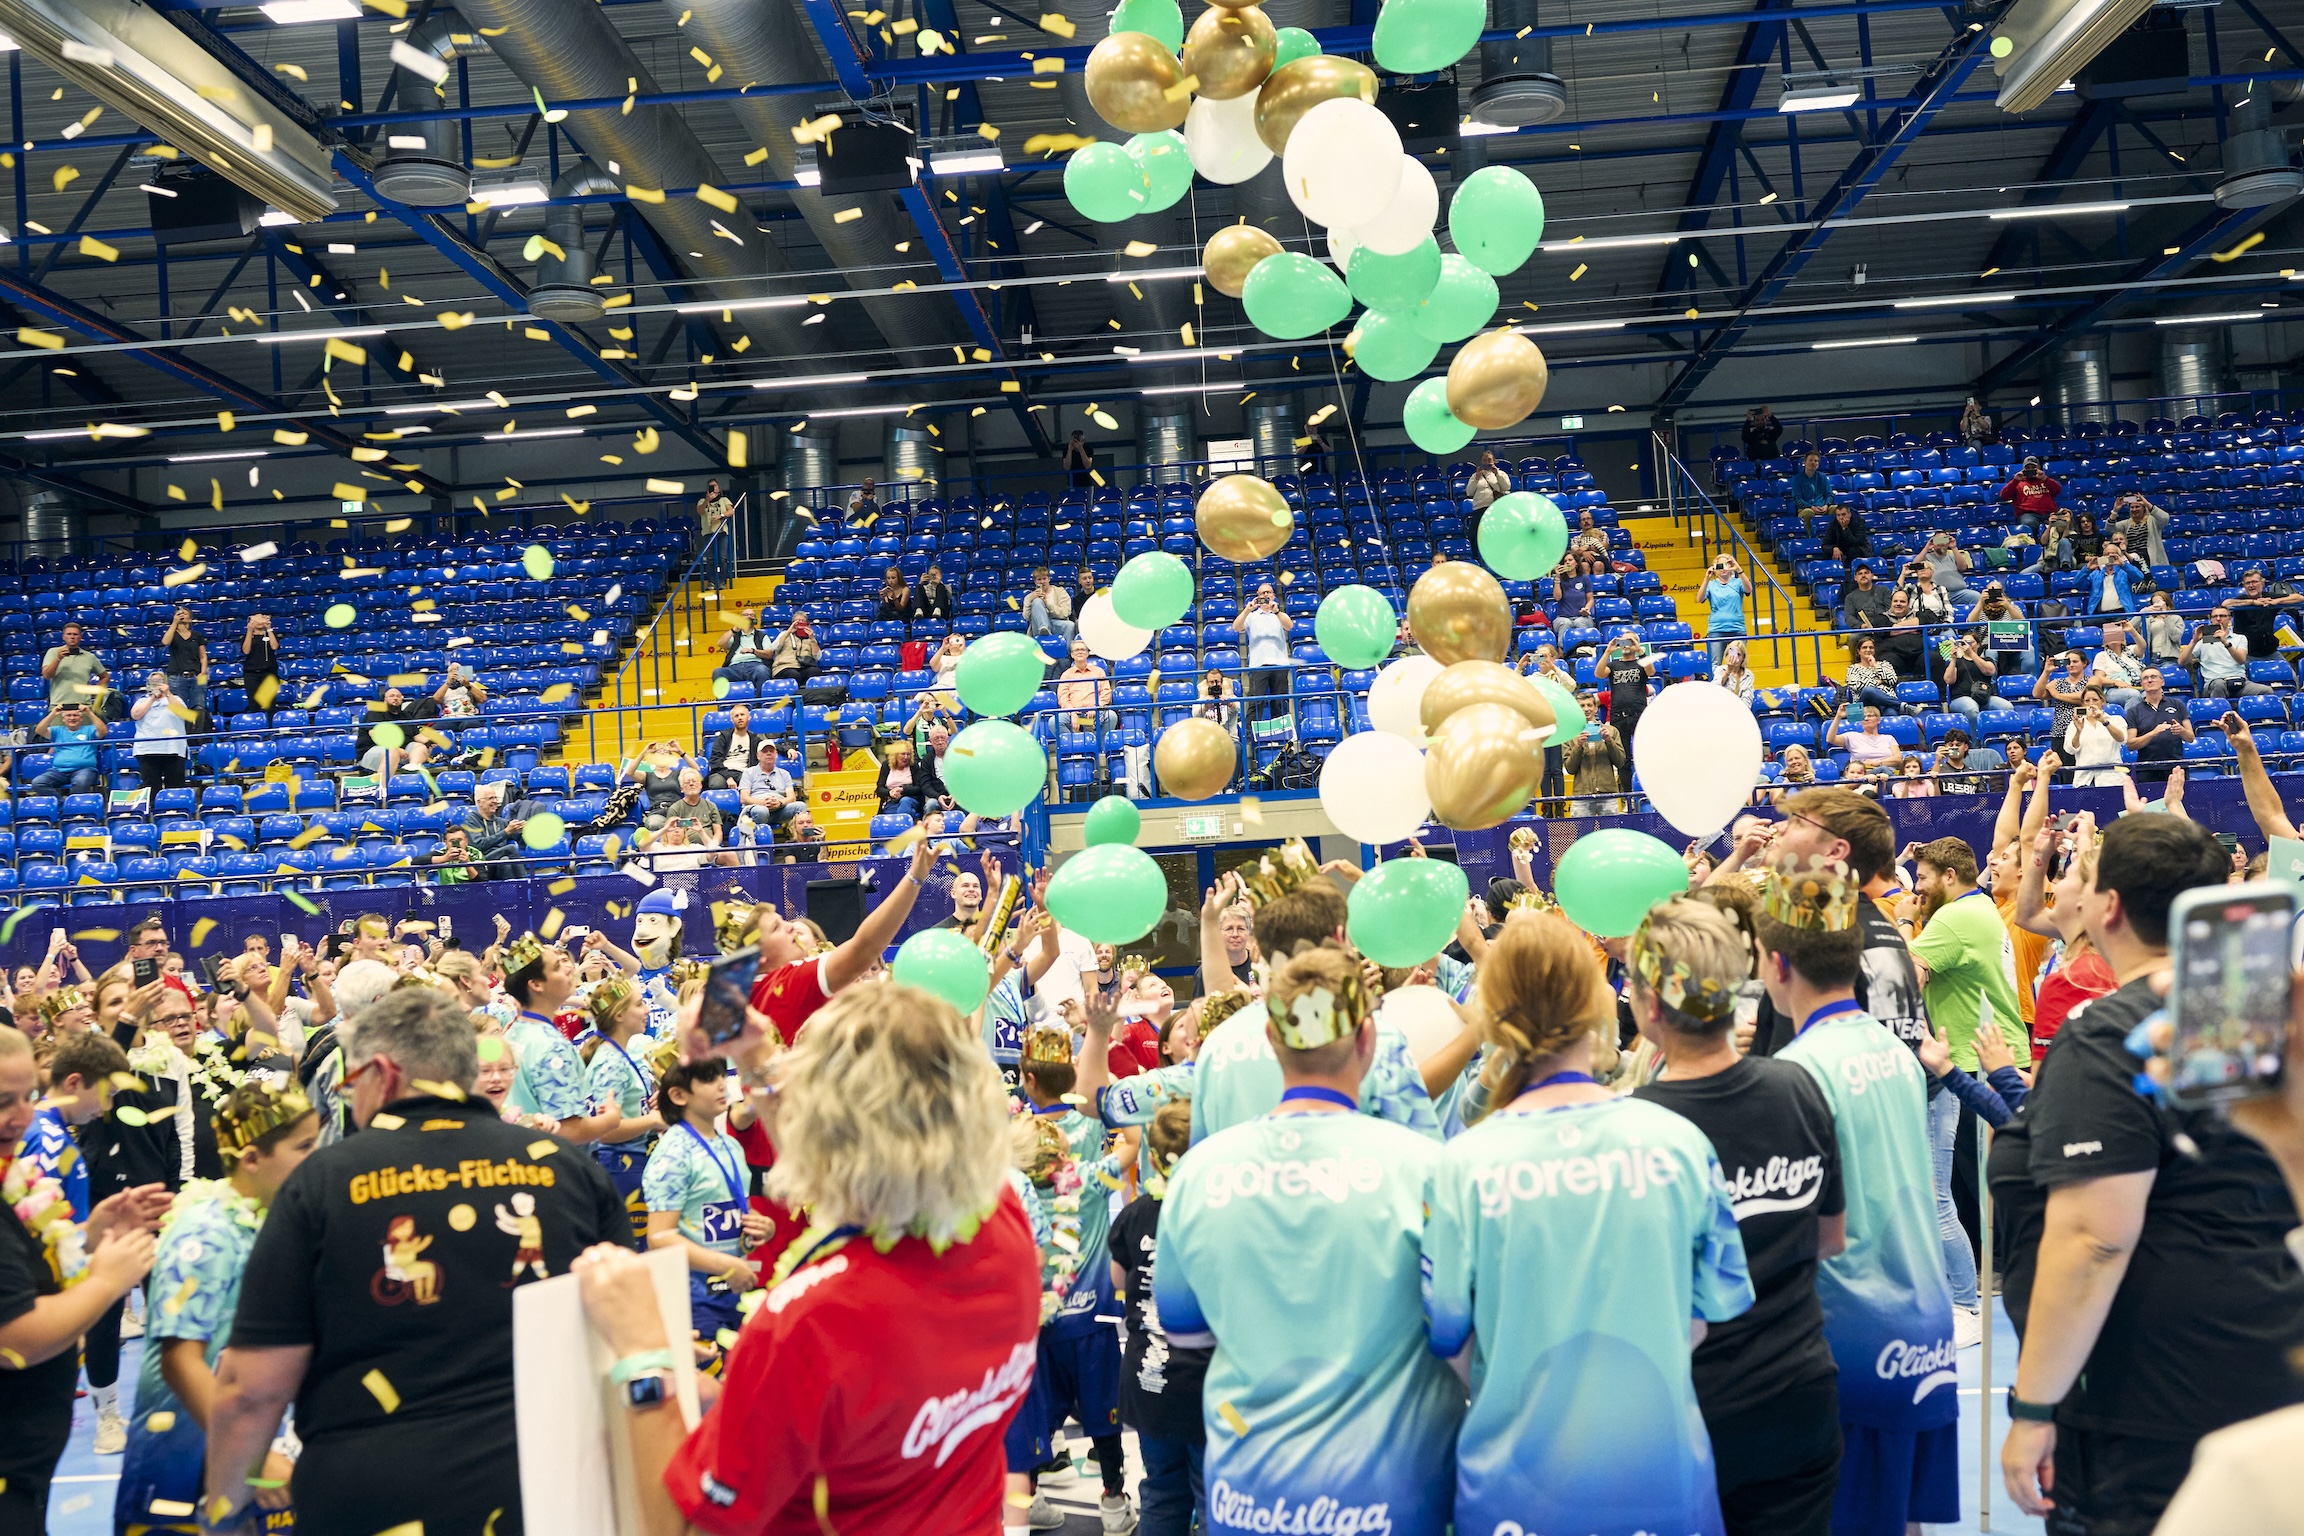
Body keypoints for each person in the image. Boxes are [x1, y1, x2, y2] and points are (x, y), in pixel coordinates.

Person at [566, 981, 1039, 1536]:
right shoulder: (1002, 1222)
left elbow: (683, 1529)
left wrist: (646, 1356)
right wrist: (752, 1050)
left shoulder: (808, 1321)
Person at [200, 986, 632, 1536]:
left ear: (382, 1072)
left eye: (352, 1082)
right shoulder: (569, 1169)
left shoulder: (323, 1181)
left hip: (376, 1494)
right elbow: (631, 1332)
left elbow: (252, 1389)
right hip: (554, 1486)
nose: (350, 1099)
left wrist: (224, 1508)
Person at [1993, 815, 2302, 1534]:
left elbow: (2093, 1238)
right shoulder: (2268, 1021)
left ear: (2110, 906)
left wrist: (2035, 1407)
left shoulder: (2110, 1036)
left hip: (2150, 1402)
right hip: (2265, 1360)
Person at [1425, 907, 1753, 1536]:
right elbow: (1708, 1317)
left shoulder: (1463, 1166)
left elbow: (1451, 1344)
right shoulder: (1677, 1143)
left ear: (1494, 1016)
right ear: (1597, 1005)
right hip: (1660, 1476)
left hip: (1515, 1490)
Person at [1159, 947, 1462, 1536]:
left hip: (1249, 1495)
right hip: (1397, 1496)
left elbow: (1185, 1336)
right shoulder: (1427, 1167)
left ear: (1272, 1041)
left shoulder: (1199, 1172)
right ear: (1369, 1040)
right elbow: (1456, 1330)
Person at [1756, 853, 1963, 1536]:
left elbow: (1812, 1233)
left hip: (1849, 1339)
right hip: (1922, 1332)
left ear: (1778, 966)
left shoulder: (1794, 1074)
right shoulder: (1893, 1051)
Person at [1629, 900, 1845, 1536]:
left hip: (1695, 1408)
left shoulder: (1641, 1126)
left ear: (1648, 1007)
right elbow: (1829, 1238)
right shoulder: (1799, 1087)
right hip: (1799, 1393)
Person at [112, 1081, 319, 1536]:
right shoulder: (203, 1235)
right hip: (186, 1462)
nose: (317, 1160)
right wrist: (252, 1454)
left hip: (252, 1443)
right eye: (304, 1147)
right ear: (250, 1159)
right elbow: (179, 1359)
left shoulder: (278, 1221)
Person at [0, 1024, 166, 1531]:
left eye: (26, 1096)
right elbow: (14, 1335)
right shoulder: (46, 1140)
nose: (22, 1116)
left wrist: (90, 1234)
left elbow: (32, 1247)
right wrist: (106, 1279)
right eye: (6, 1101)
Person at [1184, 849, 1439, 1142]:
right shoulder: (1372, 1035)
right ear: (1341, 937)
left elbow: (1200, 1150)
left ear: (1260, 946)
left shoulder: (1218, 1044)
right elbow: (1422, 1153)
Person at [1906, 835, 2028, 1340]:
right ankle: (1974, 1292)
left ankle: (1967, 1301)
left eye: (1924, 879)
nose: (1918, 887)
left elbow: (1906, 976)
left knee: (1946, 1193)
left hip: (1973, 1063)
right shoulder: (1978, 910)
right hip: (1990, 1057)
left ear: (1948, 877)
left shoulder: (1953, 918)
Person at [1109, 1101, 1204, 1536]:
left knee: (1162, 1492)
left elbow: (1117, 1279)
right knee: (1212, 1495)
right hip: (1204, 1382)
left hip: (1149, 1378)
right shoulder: (1215, 1211)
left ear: (1150, 1158)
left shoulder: (1135, 1213)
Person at [643, 1055, 770, 1345]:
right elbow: (660, 1237)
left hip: (734, 1289)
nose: (721, 1085)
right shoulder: (673, 1152)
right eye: (708, 1079)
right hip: (693, 1298)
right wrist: (724, 1265)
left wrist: (762, 1226)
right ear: (677, 1095)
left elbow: (734, 1209)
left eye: (721, 1076)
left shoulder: (731, 1145)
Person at [501, 934, 624, 1146]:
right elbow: (568, 1132)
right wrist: (610, 1119)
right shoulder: (551, 1046)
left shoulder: (512, 1032)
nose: (570, 969)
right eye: (558, 967)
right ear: (536, 985)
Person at [2179, 602, 2272, 697]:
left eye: (2222, 616)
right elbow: (2182, 661)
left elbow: (2241, 660)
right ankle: (2220, 711)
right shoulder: (2202, 640)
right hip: (2214, 683)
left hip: (2239, 683)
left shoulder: (2240, 638)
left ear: (2229, 619)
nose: (2218, 619)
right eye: (2215, 616)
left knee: (2267, 691)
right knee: (2219, 684)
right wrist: (2193, 641)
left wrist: (2225, 642)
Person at [2120, 665, 2189, 785]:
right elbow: (2131, 744)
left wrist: (2181, 730)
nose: (2150, 680)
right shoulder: (2134, 711)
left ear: (2162, 681)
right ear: (2142, 684)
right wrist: (2153, 733)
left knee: (2178, 804)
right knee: (2152, 804)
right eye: (2145, 678)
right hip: (2147, 770)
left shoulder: (2178, 704)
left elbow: (2191, 737)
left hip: (2176, 768)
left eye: (2153, 677)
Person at [129, 670, 192, 794]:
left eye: (160, 681)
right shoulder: (142, 700)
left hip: (173, 748)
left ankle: (175, 809)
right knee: (150, 786)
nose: (157, 684)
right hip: (147, 749)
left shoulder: (175, 699)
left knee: (175, 785)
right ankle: (153, 810)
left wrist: (167, 694)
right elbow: (135, 715)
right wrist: (153, 698)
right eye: (153, 682)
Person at [2225, 565, 2304, 660]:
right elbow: (2225, 603)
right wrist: (2253, 602)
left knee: (2292, 675)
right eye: (2248, 583)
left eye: (2254, 582)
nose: (2251, 585)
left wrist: (2277, 601)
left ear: (2262, 584)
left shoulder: (2269, 597)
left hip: (2270, 652)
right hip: (2246, 653)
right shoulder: (2241, 600)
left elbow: (2299, 598)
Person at [29, 699, 106, 793]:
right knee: (38, 782)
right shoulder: (57, 731)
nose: (72, 718)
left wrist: (89, 713)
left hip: (84, 770)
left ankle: (72, 806)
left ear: (81, 718)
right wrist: (53, 714)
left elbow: (103, 731)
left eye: (75, 715)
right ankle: (62, 807)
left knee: (80, 782)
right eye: (68, 715)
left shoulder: (89, 730)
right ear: (63, 719)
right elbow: (39, 730)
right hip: (58, 771)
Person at [2062, 684, 2128, 786]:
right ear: (2083, 703)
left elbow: (2122, 738)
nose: (2091, 704)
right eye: (2087, 701)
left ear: (2102, 701)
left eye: (2095, 700)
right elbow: (2070, 750)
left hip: (2112, 779)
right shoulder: (2074, 724)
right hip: (2084, 779)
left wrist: (2104, 722)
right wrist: (2078, 732)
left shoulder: (2116, 720)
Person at [1564, 710, 1627, 816]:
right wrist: (1578, 746)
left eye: (1589, 705)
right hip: (1582, 795)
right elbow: (1570, 768)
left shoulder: (1611, 731)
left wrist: (1609, 741)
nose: (1586, 709)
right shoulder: (1570, 735)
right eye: (1582, 706)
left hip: (1608, 793)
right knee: (1583, 833)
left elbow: (1620, 762)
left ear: (1595, 708)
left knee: (1610, 832)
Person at [41, 619, 109, 712]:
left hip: (84, 706)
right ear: (63, 637)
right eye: (69, 634)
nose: (72, 637)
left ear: (80, 637)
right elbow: (46, 675)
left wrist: (96, 693)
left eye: (75, 634)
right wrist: (58, 659)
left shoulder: (89, 657)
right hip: (58, 706)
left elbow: (105, 677)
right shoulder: (53, 652)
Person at [1826, 702, 1906, 780]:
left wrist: (1878, 763)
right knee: (1883, 771)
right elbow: (1830, 739)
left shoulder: (1889, 738)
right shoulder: (1852, 736)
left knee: (1884, 771)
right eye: (1863, 717)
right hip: (1863, 775)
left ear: (1878, 720)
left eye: (1870, 716)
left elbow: (1898, 759)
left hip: (1888, 774)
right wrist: (1838, 716)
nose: (1866, 718)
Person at [1057, 638, 1118, 736]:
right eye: (1077, 650)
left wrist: (1095, 708)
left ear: (1087, 653)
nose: (1080, 652)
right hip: (1074, 715)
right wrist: (1072, 713)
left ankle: (1100, 748)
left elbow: (1106, 692)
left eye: (1083, 649)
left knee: (1111, 716)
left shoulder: (1098, 672)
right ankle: (1076, 745)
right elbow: (1063, 697)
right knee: (1054, 722)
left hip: (1095, 713)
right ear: (1072, 655)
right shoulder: (1066, 675)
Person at [1940, 632, 2004, 720]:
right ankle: (1975, 734)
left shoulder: (1987, 660)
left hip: (1984, 697)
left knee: (2007, 707)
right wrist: (1953, 659)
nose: (1967, 645)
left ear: (1978, 644)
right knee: (1972, 709)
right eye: (1964, 642)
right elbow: (1948, 680)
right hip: (1961, 698)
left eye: (1970, 642)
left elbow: (1989, 671)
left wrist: (1971, 654)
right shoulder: (1957, 662)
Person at [1702, 554, 1750, 667]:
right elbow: (1700, 599)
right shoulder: (1711, 585)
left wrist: (1739, 569)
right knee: (1715, 664)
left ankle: (1736, 684)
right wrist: (1706, 578)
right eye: (1719, 565)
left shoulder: (1738, 582)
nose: (1723, 568)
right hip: (1717, 631)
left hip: (1736, 631)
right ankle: (1718, 684)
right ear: (1714, 568)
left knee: (1735, 662)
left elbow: (1748, 589)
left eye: (1726, 565)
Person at [161, 603, 208, 716]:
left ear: (190, 619)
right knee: (178, 709)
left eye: (185, 613)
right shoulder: (172, 634)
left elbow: (203, 656)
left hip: (196, 676)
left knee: (199, 707)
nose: (182, 615)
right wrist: (174, 623)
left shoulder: (197, 635)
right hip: (176, 677)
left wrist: (203, 672)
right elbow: (165, 642)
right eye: (179, 614)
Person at [1999, 456, 2062, 529]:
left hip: (2049, 513)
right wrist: (2015, 480)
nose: (2030, 469)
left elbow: (2058, 490)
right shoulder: (2018, 483)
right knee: (2029, 523)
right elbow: (2003, 496)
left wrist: (2045, 479)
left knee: (2061, 523)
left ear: (2039, 468)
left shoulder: (2046, 481)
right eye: (2028, 468)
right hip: (2028, 514)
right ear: (2023, 469)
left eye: (2033, 467)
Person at [716, 609, 773, 689]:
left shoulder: (762, 636)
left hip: (755, 666)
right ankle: (725, 701)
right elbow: (720, 644)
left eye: (751, 615)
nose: (749, 617)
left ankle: (759, 701)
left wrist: (753, 651)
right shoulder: (735, 636)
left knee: (762, 670)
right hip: (734, 668)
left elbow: (769, 654)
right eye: (745, 615)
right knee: (718, 672)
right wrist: (734, 629)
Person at [2111, 490, 2168, 569]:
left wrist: (2147, 504)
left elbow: (2165, 518)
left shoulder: (2153, 520)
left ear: (2144, 508)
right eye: (2132, 507)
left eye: (2137, 507)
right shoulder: (2126, 523)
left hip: (2150, 559)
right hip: (2132, 557)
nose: (2134, 509)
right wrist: (2115, 511)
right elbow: (2110, 529)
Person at [1024, 567, 1075, 644]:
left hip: (1056, 623)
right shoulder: (1030, 597)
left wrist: (1047, 604)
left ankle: (1066, 654)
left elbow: (1065, 613)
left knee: (1070, 625)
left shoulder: (1060, 592)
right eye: (1039, 579)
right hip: (1037, 626)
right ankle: (1044, 629)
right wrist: (1030, 600)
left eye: (1044, 579)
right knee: (1037, 601)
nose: (1042, 582)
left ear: (1049, 579)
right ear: (1035, 582)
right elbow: (1026, 616)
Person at [239, 613, 278, 707]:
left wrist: (269, 628)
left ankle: (270, 721)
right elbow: (246, 650)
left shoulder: (270, 634)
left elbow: (274, 646)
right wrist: (249, 631)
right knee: (253, 704)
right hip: (251, 673)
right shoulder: (247, 637)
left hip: (269, 672)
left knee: (270, 704)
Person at [769, 611, 821, 683]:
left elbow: (817, 657)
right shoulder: (784, 634)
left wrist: (812, 638)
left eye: (802, 621)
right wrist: (788, 632)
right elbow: (774, 648)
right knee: (794, 675)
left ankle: (810, 694)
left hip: (804, 667)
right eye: (797, 621)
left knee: (816, 671)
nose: (800, 623)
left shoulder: (811, 638)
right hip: (785, 667)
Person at [1839, 564, 1890, 632]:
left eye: (1866, 573)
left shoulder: (1884, 590)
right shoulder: (1850, 597)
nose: (1863, 575)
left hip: (1883, 627)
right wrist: (1861, 625)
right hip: (1863, 630)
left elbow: (1890, 609)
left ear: (1872, 576)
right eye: (1860, 574)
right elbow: (1849, 617)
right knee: (1853, 638)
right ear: (1855, 578)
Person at [1790, 449, 1832, 526]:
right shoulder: (1797, 479)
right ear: (1804, 462)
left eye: (1816, 461)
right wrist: (1811, 507)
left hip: (1823, 507)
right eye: (1810, 460)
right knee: (1808, 513)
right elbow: (1797, 498)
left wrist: (1826, 505)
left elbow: (1829, 494)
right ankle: (1810, 536)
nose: (1813, 463)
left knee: (1836, 509)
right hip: (1805, 509)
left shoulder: (1823, 477)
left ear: (1818, 464)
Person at [1714, 638, 1756, 704]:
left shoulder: (1748, 675)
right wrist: (1727, 672)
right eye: (1733, 654)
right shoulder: (1720, 670)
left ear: (1743, 657)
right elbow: (1714, 690)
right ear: (1727, 655)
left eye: (1738, 655)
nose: (1735, 657)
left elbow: (1747, 698)